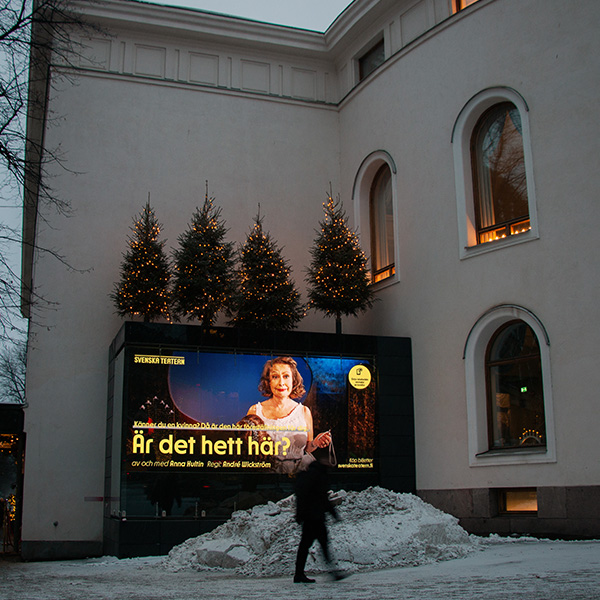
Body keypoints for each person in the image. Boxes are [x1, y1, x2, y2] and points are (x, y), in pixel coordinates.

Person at [246, 357, 331, 474]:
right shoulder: (255, 411)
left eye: (286, 376)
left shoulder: (304, 412)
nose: (281, 382)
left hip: (300, 475)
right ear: (268, 381)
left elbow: (307, 448)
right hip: (267, 477)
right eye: (275, 377)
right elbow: (247, 450)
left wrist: (316, 442)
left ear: (293, 380)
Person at [293, 459, 344, 583]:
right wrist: (334, 514)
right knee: (323, 544)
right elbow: (323, 499)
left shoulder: (305, 477)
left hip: (308, 517)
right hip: (316, 517)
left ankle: (299, 574)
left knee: (305, 545)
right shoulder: (319, 477)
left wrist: (299, 515)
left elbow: (300, 497)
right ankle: (333, 572)